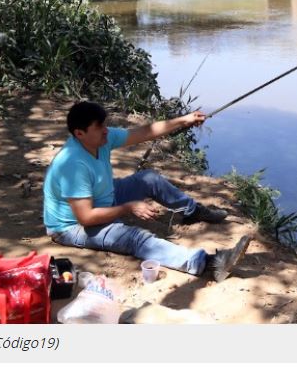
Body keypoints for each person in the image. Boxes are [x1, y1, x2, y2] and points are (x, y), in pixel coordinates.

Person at [43, 101, 251, 281]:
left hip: (103, 197)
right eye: (99, 127)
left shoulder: (100, 139)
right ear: (79, 133)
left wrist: (183, 120)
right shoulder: (73, 164)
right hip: (71, 227)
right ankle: (210, 264)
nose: (106, 130)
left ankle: (192, 211)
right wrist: (129, 207)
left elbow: (145, 132)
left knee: (149, 178)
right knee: (135, 237)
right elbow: (86, 217)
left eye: (104, 124)